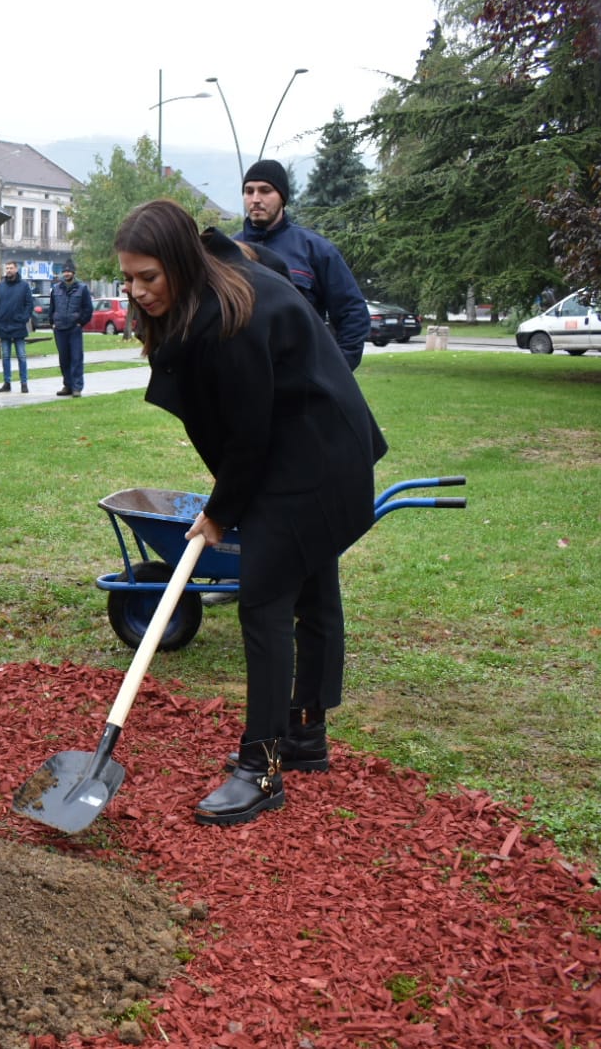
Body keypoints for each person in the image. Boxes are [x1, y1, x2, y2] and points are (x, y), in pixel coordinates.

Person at [113, 199, 387, 826]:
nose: (136, 291)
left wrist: (219, 513)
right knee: (313, 584)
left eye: (148, 277)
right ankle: (305, 735)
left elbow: (248, 438)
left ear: (181, 262)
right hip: (314, 445)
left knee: (265, 603)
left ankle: (261, 770)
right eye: (127, 278)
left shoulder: (228, 320)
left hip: (313, 461)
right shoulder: (216, 273)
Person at [234, 159, 369, 370]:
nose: (256, 199)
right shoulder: (228, 252)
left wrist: (337, 372)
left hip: (299, 380)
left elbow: (352, 313)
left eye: (265, 190)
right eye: (249, 191)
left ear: (283, 197)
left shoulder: (315, 249)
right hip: (243, 378)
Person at [49, 259, 93, 396]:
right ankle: (67, 385)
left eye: (69, 271)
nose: (66, 273)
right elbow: (52, 308)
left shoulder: (82, 288)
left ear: (73, 272)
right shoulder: (56, 289)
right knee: (64, 359)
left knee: (76, 358)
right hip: (60, 328)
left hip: (74, 328)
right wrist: (53, 322)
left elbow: (88, 309)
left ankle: (77, 387)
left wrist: (80, 322)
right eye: (64, 271)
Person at [0, 261, 33, 393]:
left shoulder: (24, 286)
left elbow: (29, 304)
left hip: (18, 325)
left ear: (16, 269)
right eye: (7, 268)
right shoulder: (0, 286)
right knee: (6, 356)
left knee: (22, 355)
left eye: (11, 268)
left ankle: (24, 383)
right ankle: (7, 382)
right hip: (3, 325)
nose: (8, 270)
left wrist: (24, 318)